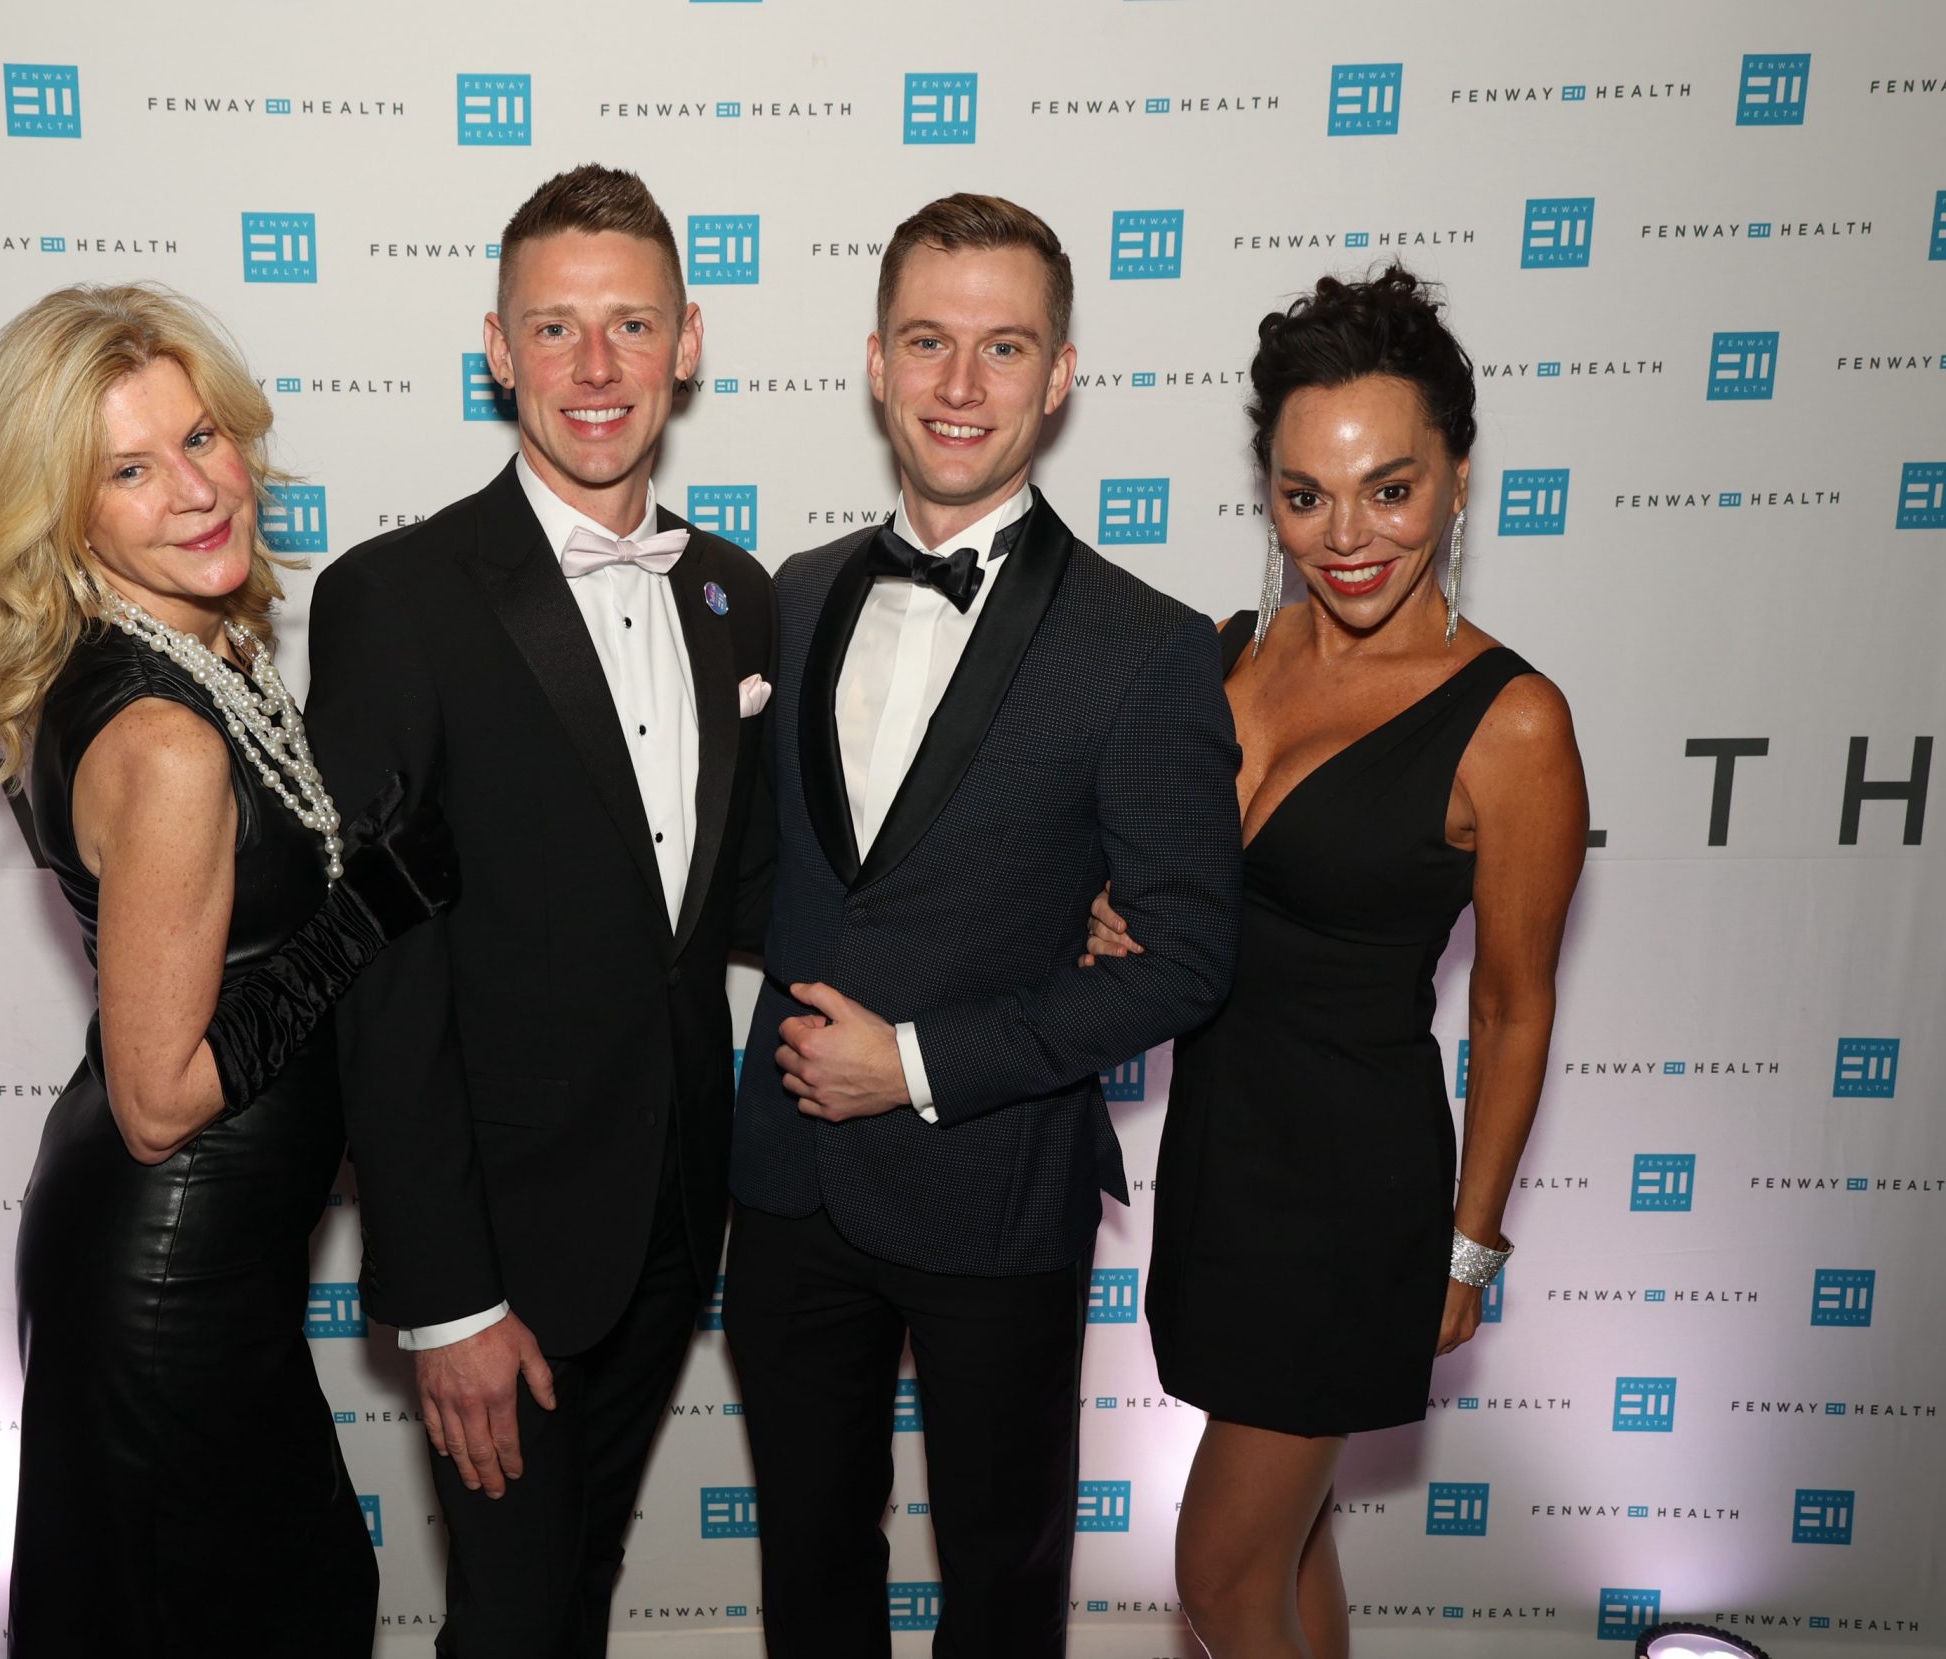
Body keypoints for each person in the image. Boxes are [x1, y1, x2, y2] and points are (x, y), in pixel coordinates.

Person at [721, 193, 1244, 1659]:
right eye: (926, 342)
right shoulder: (796, 597)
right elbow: (761, 868)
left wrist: (918, 1063)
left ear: (1059, 374)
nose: (959, 384)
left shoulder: (1144, 646)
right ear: (874, 361)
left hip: (996, 1191)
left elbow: (1192, 958)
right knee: (809, 1570)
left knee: (1004, 1589)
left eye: (1003, 347)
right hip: (788, 1184)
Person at [306, 165, 775, 1655]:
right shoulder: (395, 596)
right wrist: (448, 1302)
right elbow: (377, 970)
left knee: (575, 1600)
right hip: (499, 1247)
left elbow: (753, 892)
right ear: (497, 350)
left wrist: (1058, 903)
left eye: (631, 324)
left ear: (687, 344)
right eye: (555, 327)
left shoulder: (734, 594)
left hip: (674, 1212)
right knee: (508, 1626)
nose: (595, 366)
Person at [0, 282, 455, 1656]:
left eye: (200, 439)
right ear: (66, 516)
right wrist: (365, 914)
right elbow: (161, 1097)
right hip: (170, 1266)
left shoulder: (183, 652)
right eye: (128, 469)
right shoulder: (164, 742)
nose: (194, 490)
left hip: (201, 1256)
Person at [1091, 266, 1589, 1658]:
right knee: (1293, 1543)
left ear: (1458, 478)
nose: (1348, 535)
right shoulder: (1227, 656)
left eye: (1391, 488)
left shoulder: (1513, 723)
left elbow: (1515, 1005)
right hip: (1221, 1163)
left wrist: (1470, 1247)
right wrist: (1113, 916)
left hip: (1348, 1199)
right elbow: (1175, 896)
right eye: (1306, 495)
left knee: (1220, 1574)